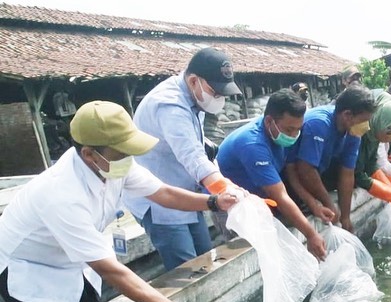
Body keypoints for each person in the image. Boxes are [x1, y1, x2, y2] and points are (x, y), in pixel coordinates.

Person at [0, 101, 236, 302]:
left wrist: (214, 201)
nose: (128, 157)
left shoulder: (113, 164)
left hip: (72, 260)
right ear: (89, 153)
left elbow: (163, 193)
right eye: (122, 151)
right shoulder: (60, 194)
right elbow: (108, 269)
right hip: (30, 271)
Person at [124, 47, 245, 271]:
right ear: (193, 81)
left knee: (206, 259)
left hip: (185, 194)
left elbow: (198, 145)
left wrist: (225, 186)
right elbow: (191, 155)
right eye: (215, 92)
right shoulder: (170, 104)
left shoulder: (193, 97)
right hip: (159, 200)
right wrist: (224, 188)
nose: (218, 98)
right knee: (188, 269)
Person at [216, 89, 326, 261]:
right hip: (231, 204)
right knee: (252, 256)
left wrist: (314, 205)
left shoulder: (281, 135)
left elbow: (290, 174)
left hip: (260, 197)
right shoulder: (252, 145)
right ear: (269, 121)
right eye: (290, 129)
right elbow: (280, 196)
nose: (293, 135)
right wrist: (311, 235)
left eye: (298, 129)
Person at [285, 86, 375, 233]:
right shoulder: (319, 124)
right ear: (347, 115)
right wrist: (328, 203)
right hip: (290, 175)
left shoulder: (353, 131)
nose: (367, 126)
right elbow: (305, 169)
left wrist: (345, 217)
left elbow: (347, 173)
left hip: (315, 171)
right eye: (364, 120)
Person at [355, 92, 391, 207]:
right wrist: (382, 190)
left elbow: (371, 163)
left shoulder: (376, 136)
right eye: (389, 132)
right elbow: (355, 172)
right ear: (380, 122)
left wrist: (390, 189)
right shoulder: (360, 135)